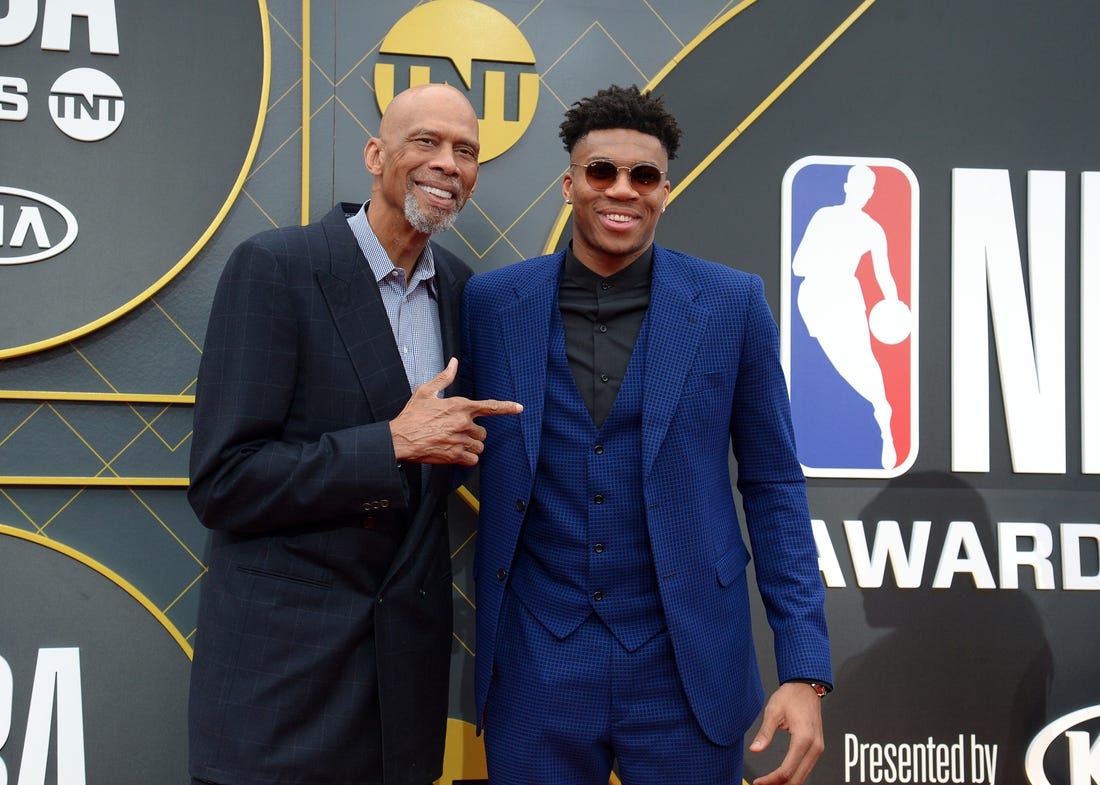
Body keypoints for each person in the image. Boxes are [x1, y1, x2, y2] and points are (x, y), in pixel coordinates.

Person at [462, 84, 832, 785]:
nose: (621, 190)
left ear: (667, 187)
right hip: (539, 659)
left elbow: (775, 484)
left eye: (643, 175)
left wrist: (805, 667)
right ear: (569, 184)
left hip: (685, 661)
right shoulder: (492, 304)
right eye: (602, 171)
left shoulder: (732, 304)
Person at [187, 83, 521, 785]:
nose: (447, 163)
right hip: (283, 687)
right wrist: (390, 444)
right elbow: (225, 481)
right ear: (377, 155)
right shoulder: (278, 268)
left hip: (403, 693)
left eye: (466, 151)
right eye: (425, 141)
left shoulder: (468, 292)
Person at [792, 164, 905, 469]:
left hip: (846, 299)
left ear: (870, 193)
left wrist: (893, 304)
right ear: (847, 187)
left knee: (863, 360)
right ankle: (878, 411)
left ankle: (884, 418)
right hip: (815, 299)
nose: (862, 193)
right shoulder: (824, 216)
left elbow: (885, 275)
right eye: (858, 186)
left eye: (867, 188)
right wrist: (827, 261)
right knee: (836, 364)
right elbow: (798, 265)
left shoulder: (872, 229)